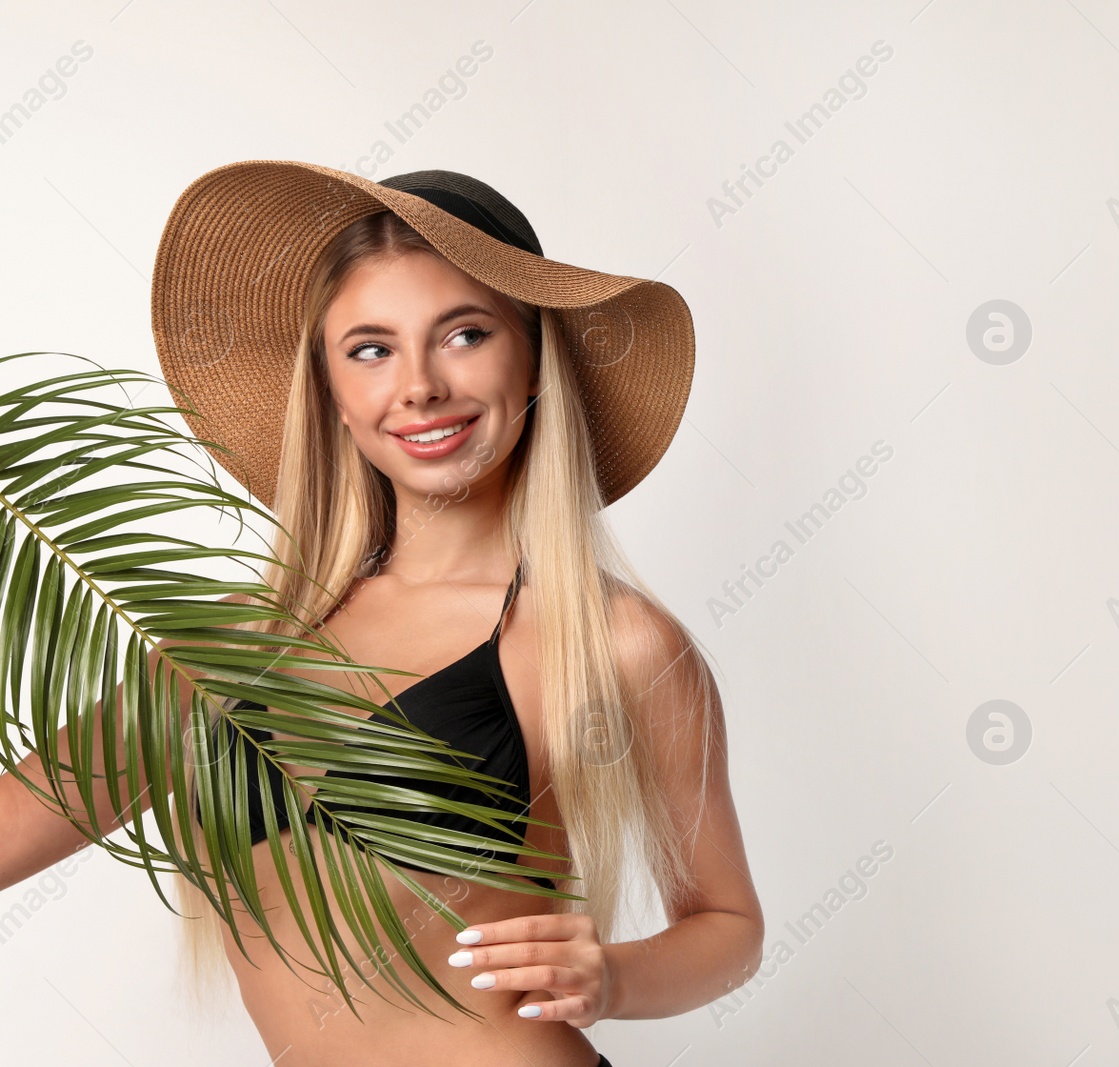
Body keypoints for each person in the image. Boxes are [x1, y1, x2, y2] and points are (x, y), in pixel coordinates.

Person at [0, 161, 763, 1066]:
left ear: (533, 362)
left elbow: (729, 925)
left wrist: (617, 977)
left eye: (465, 334)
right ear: (330, 387)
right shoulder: (226, 646)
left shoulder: (613, 643)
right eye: (371, 348)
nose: (419, 386)